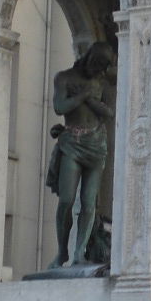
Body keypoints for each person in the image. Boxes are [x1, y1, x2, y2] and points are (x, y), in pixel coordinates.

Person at [45, 41, 115, 267]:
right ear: (89, 59)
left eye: (103, 68)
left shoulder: (101, 83)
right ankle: (62, 251)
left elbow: (108, 112)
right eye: (97, 66)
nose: (99, 72)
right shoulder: (64, 78)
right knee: (66, 199)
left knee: (88, 203)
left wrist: (87, 98)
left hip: (95, 144)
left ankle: (79, 252)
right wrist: (81, 96)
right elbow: (59, 107)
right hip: (72, 143)